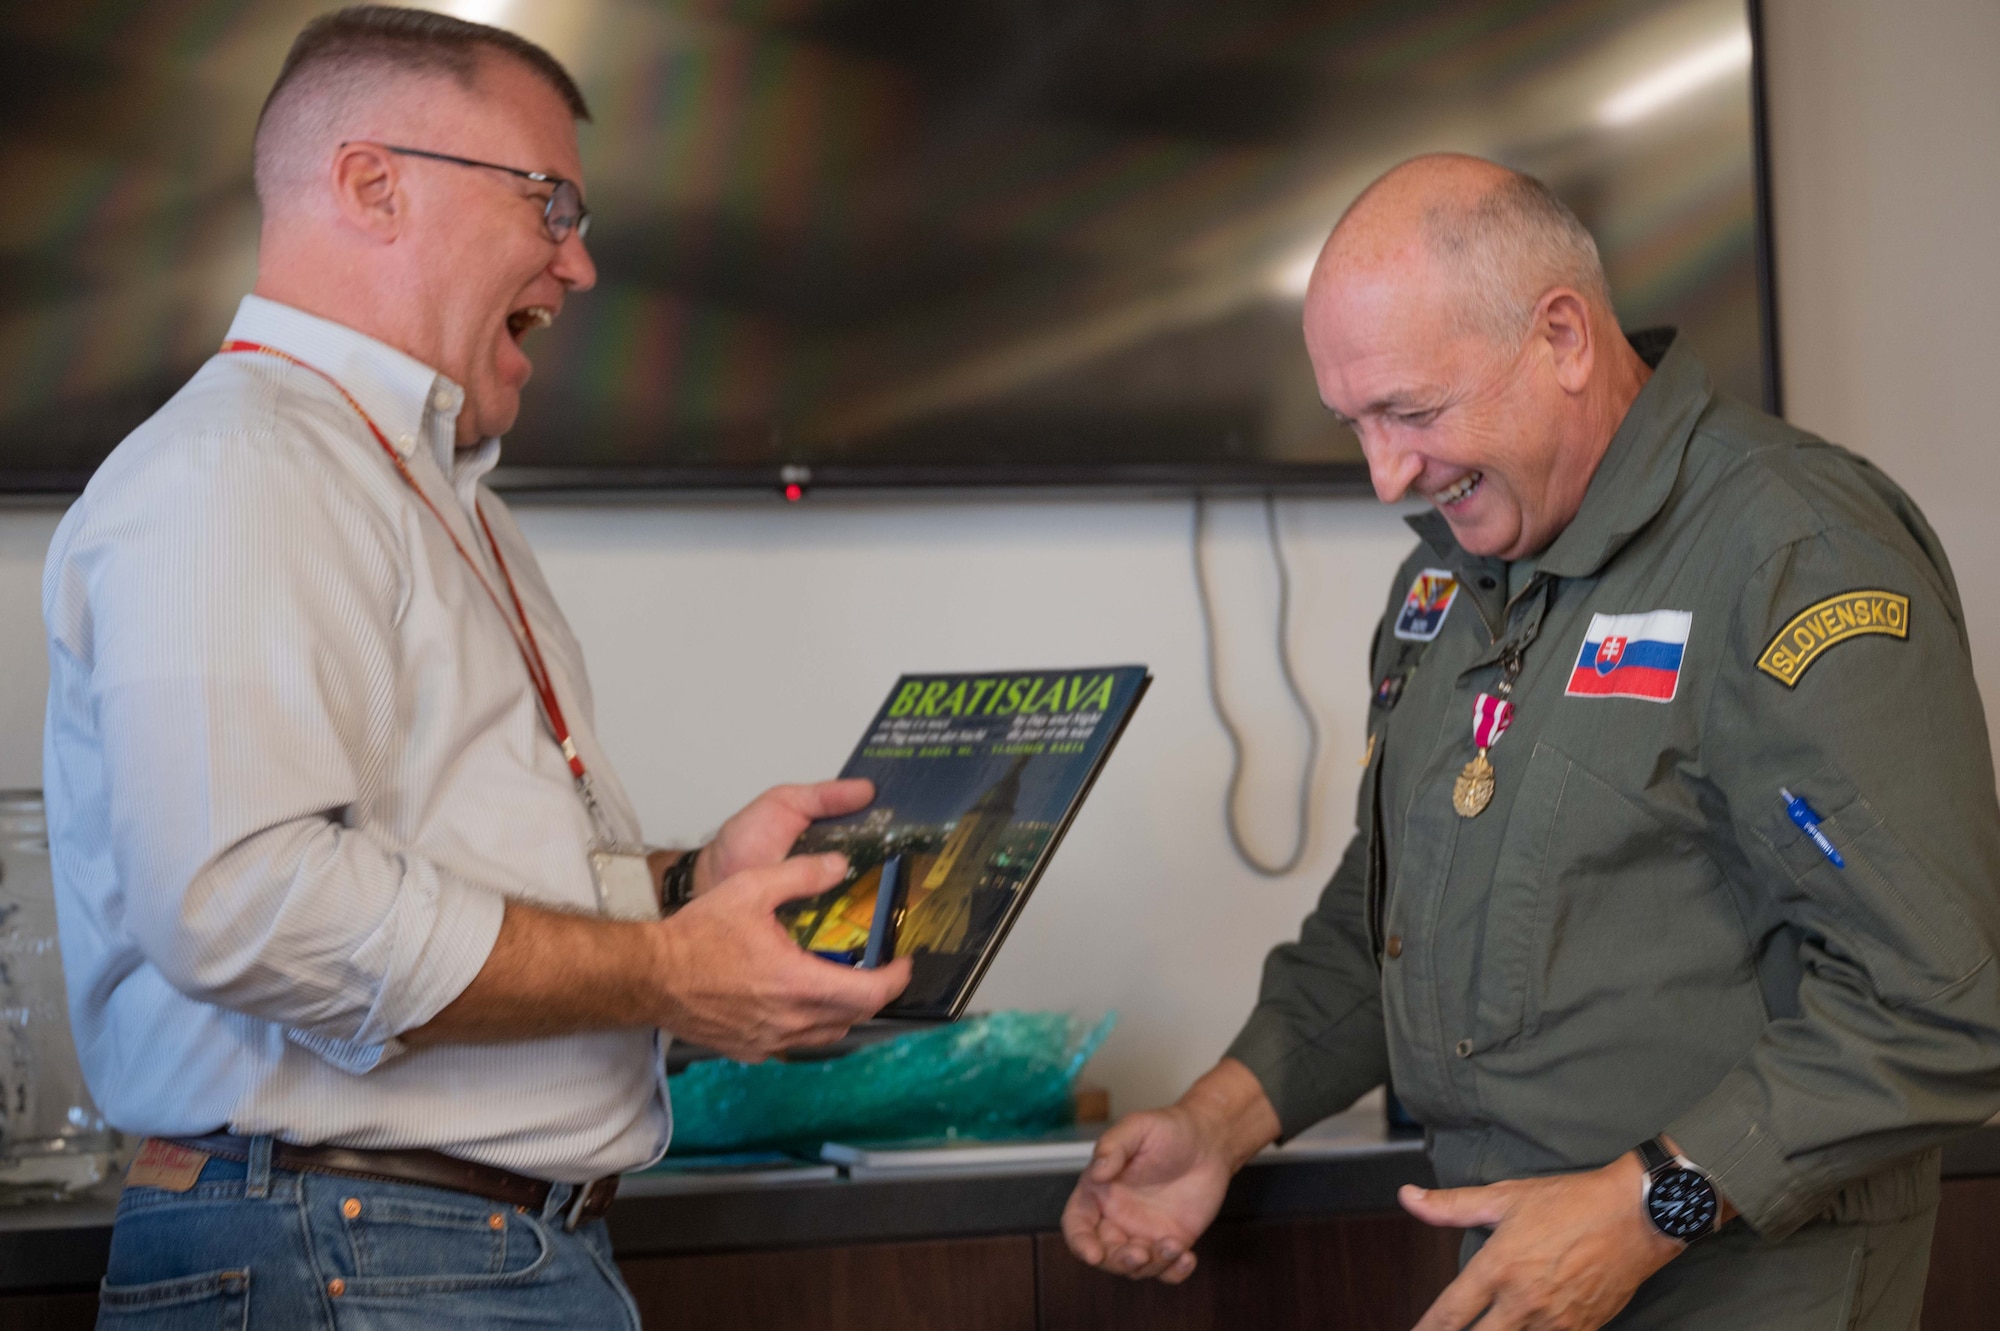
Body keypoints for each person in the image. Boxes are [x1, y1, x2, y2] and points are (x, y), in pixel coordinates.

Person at [41, 8, 908, 1327]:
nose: (583, 261)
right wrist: (666, 972)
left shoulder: (430, 491)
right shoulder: (244, 464)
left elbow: (451, 863)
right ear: (371, 184)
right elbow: (243, 898)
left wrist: (689, 892)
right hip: (360, 1248)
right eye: (551, 202)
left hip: (428, 1250)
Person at [1062, 153, 2000, 1329]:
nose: (1384, 473)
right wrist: (1215, 1121)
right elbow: (1385, 921)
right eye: (1351, 422)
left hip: (1750, 1286)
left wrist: (1647, 1202)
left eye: (1408, 410)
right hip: (1519, 1281)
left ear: (1560, 335)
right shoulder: (1446, 578)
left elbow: (1942, 998)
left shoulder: (1789, 553)